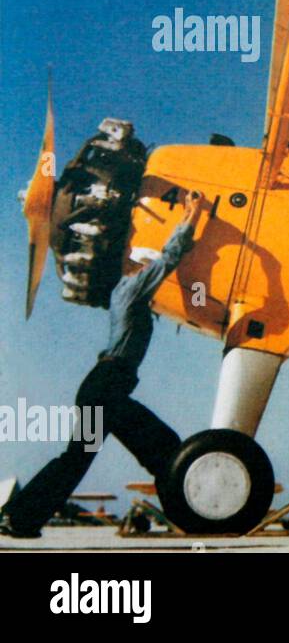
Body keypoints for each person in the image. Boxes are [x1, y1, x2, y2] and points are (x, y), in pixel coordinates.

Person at [0, 191, 204, 539]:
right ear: (139, 265)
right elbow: (168, 259)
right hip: (107, 389)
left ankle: (21, 516)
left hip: (104, 390)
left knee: (143, 448)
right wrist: (192, 215)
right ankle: (20, 517)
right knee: (146, 448)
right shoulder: (130, 288)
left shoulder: (125, 293)